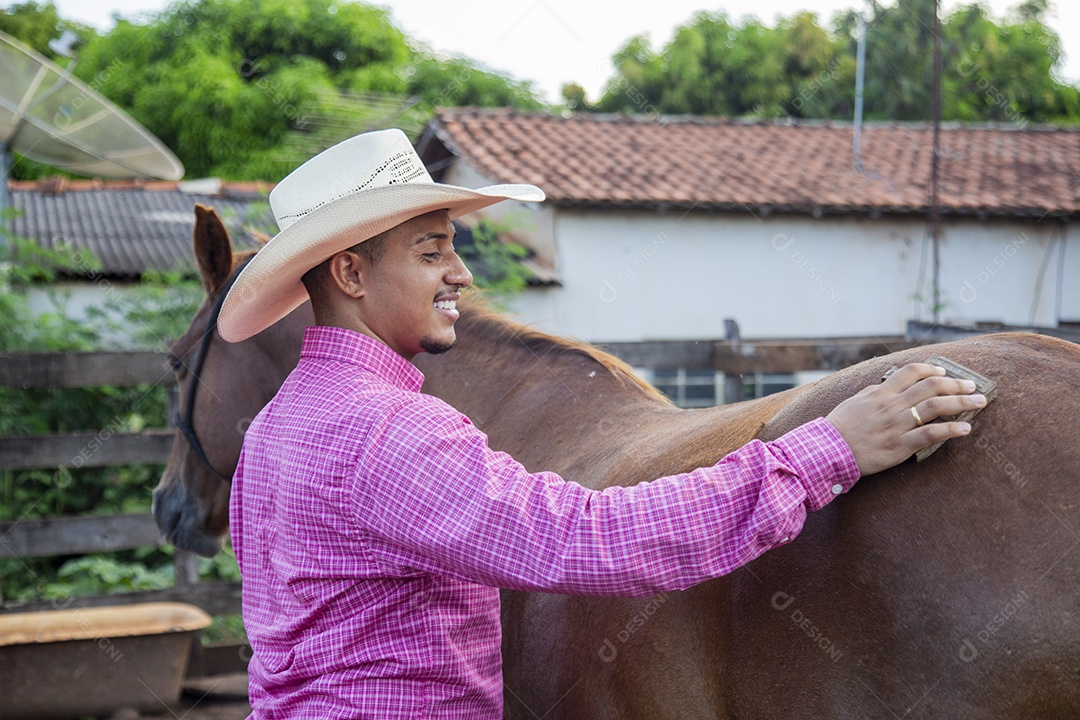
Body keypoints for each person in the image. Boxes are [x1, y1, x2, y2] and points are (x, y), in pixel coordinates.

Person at [217, 129, 985, 719]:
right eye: (432, 252)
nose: (463, 275)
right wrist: (829, 450)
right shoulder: (393, 432)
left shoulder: (272, 434)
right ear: (351, 273)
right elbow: (583, 539)